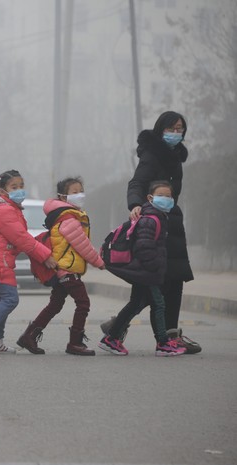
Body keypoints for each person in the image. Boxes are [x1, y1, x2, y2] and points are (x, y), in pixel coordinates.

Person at [100, 111, 200, 354]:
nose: (176, 133)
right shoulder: (153, 155)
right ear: (160, 129)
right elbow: (136, 182)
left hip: (171, 223)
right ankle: (124, 331)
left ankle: (167, 335)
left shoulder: (175, 157)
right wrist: (136, 204)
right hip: (155, 223)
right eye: (171, 128)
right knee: (150, 285)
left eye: (180, 129)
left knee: (173, 281)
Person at [0, 170, 57, 354]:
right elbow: (22, 239)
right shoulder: (5, 211)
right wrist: (45, 255)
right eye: (14, 187)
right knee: (10, 299)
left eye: (21, 186)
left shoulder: (9, 209)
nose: (19, 190)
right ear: (2, 191)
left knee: (2, 299)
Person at [17, 176, 105, 355]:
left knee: (55, 305)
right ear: (63, 197)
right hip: (67, 269)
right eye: (75, 192)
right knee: (83, 303)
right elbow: (82, 245)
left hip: (63, 269)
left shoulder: (69, 215)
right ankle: (75, 343)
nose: (80, 195)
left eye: (81, 191)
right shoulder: (69, 218)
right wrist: (99, 262)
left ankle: (29, 336)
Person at [98, 181, 186, 357]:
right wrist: (154, 267)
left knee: (135, 304)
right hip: (147, 272)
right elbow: (144, 247)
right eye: (161, 195)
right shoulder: (150, 219)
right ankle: (162, 343)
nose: (166, 199)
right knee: (158, 305)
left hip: (145, 271)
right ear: (150, 198)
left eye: (169, 196)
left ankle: (112, 338)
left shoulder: (158, 216)